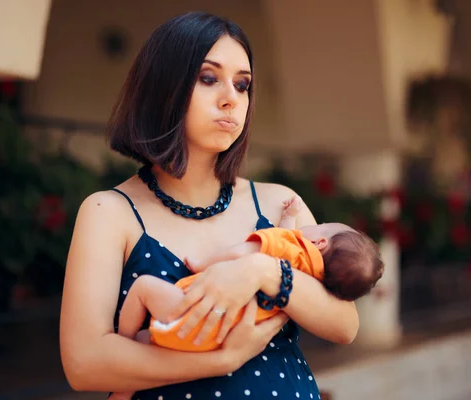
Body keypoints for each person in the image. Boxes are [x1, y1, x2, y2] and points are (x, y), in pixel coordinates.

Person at [60, 11, 361, 400]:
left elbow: (345, 324)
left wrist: (263, 271)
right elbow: (84, 364)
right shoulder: (108, 213)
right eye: (208, 78)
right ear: (164, 86)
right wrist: (220, 360)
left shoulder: (278, 203)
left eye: (242, 85)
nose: (231, 100)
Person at [109, 196, 383, 400]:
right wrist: (290, 218)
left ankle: (124, 364)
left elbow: (245, 252)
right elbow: (286, 237)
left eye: (320, 226)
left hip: (203, 315)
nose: (313, 225)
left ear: (319, 243)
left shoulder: (295, 249)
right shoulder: (313, 278)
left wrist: (201, 262)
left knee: (144, 290)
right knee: (154, 339)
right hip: (229, 334)